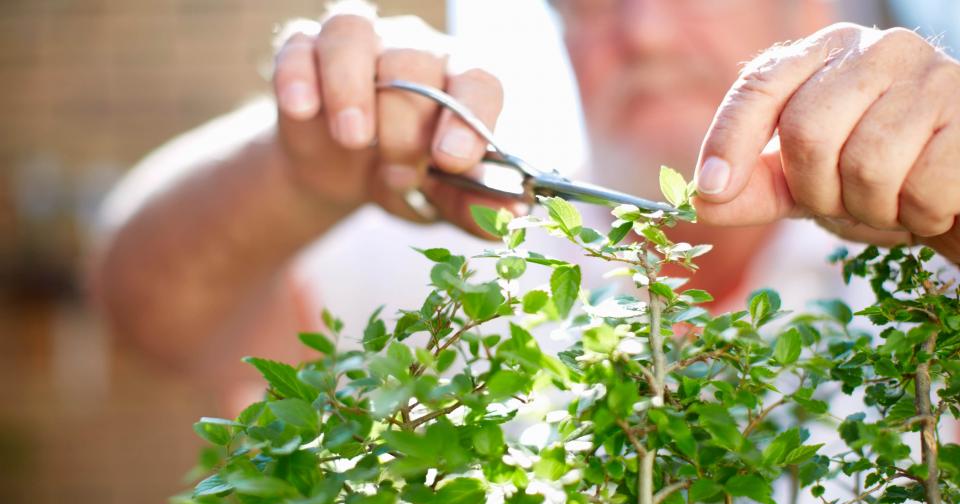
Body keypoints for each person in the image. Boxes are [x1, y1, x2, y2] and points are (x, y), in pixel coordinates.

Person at [92, 0, 960, 405]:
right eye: (588, 2)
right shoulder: (481, 226)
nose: (641, 32)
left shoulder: (936, 238)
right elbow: (150, 315)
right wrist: (299, 170)